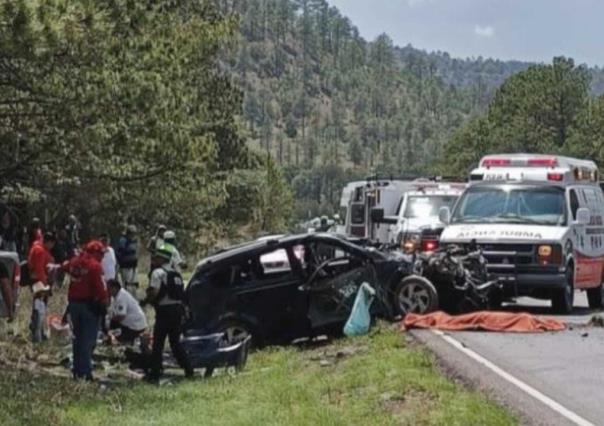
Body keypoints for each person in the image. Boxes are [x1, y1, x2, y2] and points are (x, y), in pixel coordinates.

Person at [141, 246, 193, 382]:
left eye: (156, 257)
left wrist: (147, 301)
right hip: (177, 311)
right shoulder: (176, 274)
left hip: (164, 311)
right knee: (175, 342)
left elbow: (154, 291)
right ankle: (189, 369)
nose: (154, 259)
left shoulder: (157, 272)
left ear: (162, 258)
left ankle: (155, 374)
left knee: (158, 343)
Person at [64, 241, 109, 380]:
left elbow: (64, 266)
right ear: (94, 252)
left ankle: (77, 370)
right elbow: (101, 290)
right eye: (101, 253)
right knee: (88, 340)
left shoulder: (74, 262)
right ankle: (85, 372)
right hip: (88, 305)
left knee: (77, 339)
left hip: (73, 305)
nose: (102, 256)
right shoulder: (95, 266)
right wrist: (105, 303)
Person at [107, 279, 147, 344]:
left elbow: (121, 316)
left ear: (115, 288)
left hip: (135, 327)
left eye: (109, 289)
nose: (107, 291)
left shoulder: (121, 297)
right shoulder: (118, 295)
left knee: (115, 337)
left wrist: (110, 320)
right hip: (132, 324)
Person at [116, 225, 139, 296]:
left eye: (134, 233)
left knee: (134, 283)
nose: (133, 235)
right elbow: (119, 253)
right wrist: (121, 262)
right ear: (128, 233)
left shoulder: (134, 241)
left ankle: (134, 297)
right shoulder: (123, 241)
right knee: (127, 284)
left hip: (133, 265)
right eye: (132, 233)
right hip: (126, 266)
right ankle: (127, 297)